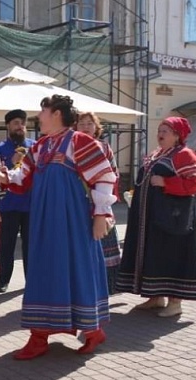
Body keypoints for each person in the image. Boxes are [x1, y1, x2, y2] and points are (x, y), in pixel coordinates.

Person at [0, 95, 116, 359]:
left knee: (76, 268)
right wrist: (5, 176)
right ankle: (39, 336)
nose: (38, 116)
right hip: (44, 219)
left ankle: (93, 331)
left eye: (42, 111)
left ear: (56, 114)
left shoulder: (80, 142)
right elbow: (23, 176)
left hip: (73, 220)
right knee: (43, 269)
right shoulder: (41, 146)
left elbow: (104, 177)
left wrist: (101, 215)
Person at [116, 116, 196, 317]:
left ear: (177, 135)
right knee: (154, 254)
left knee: (172, 254)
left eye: (165, 131)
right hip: (151, 218)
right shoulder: (156, 154)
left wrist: (166, 183)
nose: (160, 134)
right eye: (159, 130)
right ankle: (155, 297)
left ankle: (175, 302)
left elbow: (195, 184)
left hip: (173, 218)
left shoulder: (185, 155)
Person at [76, 112, 122, 296]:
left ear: (96, 127)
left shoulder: (103, 147)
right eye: (81, 123)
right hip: (78, 202)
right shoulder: (71, 147)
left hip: (100, 201)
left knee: (104, 243)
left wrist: (103, 195)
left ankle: (106, 288)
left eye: (90, 123)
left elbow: (114, 174)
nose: (86, 127)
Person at [0, 109, 34, 293]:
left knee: (31, 245)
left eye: (22, 123)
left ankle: (32, 281)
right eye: (16, 123)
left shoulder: (34, 146)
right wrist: (11, 161)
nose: (20, 126)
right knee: (6, 244)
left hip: (31, 204)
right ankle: (3, 281)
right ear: (7, 125)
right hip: (9, 205)